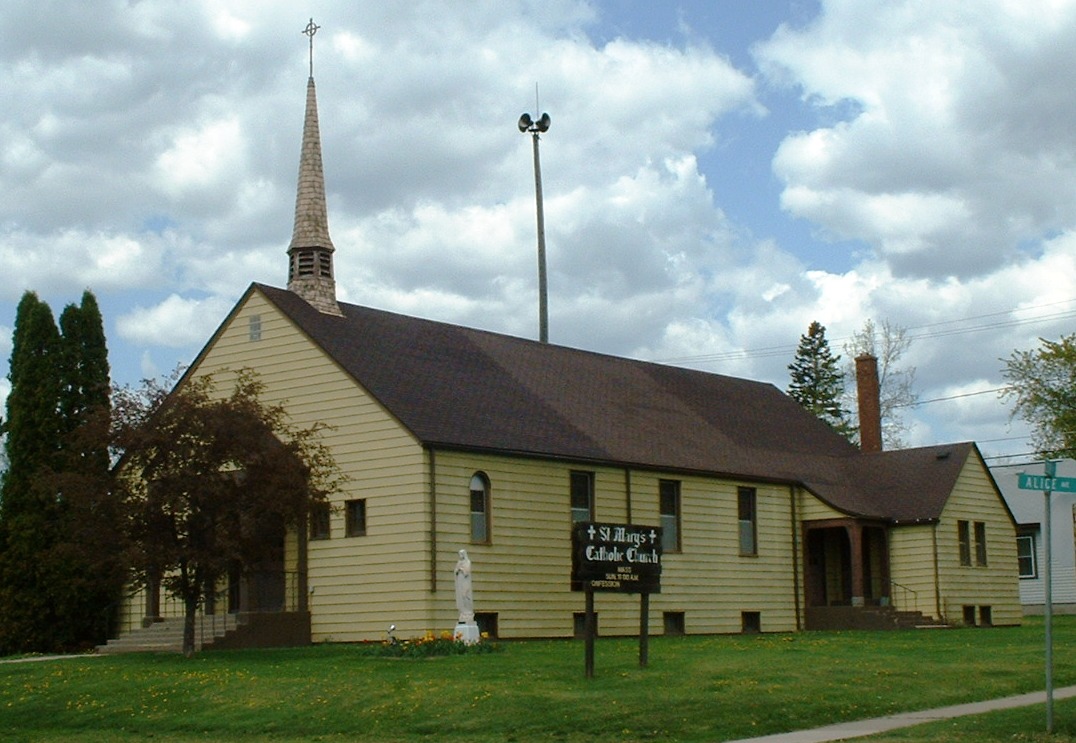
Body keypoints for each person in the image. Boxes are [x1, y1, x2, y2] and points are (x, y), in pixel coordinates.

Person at [454, 549, 474, 624]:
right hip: (460, 580)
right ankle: (463, 612)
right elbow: (455, 571)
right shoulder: (459, 562)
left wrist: (461, 569)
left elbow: (467, 572)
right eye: (459, 554)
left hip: (465, 581)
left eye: (461, 554)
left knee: (465, 595)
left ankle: (468, 611)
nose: (460, 556)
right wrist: (457, 570)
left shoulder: (467, 562)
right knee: (461, 597)